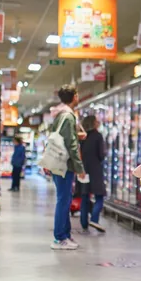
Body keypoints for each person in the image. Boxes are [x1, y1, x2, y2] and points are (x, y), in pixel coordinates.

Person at [49, 85, 86, 250]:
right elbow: (71, 144)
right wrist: (79, 167)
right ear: (74, 97)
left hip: (59, 163)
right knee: (63, 200)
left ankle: (65, 235)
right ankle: (59, 238)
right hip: (64, 164)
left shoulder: (60, 114)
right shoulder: (68, 116)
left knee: (64, 199)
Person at [78, 115, 106, 233]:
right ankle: (94, 219)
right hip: (95, 170)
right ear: (93, 123)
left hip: (84, 170)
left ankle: (84, 223)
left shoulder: (83, 137)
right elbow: (101, 154)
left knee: (85, 196)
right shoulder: (98, 136)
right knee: (99, 196)